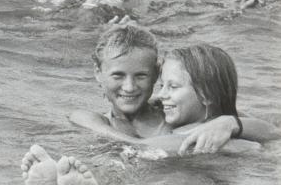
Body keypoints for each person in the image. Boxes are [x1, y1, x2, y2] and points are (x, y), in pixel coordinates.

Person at [69, 25, 278, 154]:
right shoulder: (97, 121)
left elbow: (271, 132)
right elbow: (78, 117)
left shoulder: (172, 113)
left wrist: (230, 122)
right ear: (98, 72)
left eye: (141, 76)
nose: (129, 87)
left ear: (156, 73)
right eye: (118, 75)